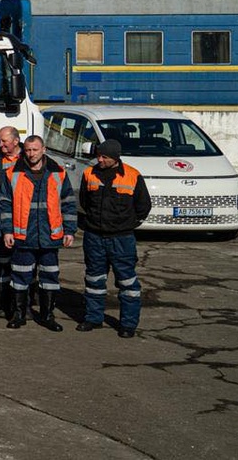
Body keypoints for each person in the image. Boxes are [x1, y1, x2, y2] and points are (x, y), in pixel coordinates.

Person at [0, 135, 77, 331]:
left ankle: (47, 316)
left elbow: (68, 203)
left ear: (44, 150)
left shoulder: (58, 173)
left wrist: (69, 231)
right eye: (28, 150)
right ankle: (19, 314)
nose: (31, 154)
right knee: (20, 278)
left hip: (50, 236)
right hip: (23, 236)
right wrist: (7, 230)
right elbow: (5, 204)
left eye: (35, 149)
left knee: (50, 278)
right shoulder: (12, 173)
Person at [77, 139, 151, 338]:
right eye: (99, 156)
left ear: (115, 158)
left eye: (105, 157)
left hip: (122, 239)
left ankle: (128, 324)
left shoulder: (132, 176)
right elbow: (84, 201)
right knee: (94, 279)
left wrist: (126, 225)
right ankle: (93, 318)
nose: (100, 159)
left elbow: (143, 206)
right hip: (94, 237)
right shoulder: (89, 173)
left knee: (127, 283)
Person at [0, 125, 23, 319]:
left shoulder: (28, 159)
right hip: (2, 220)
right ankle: (4, 303)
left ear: (16, 141)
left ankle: (22, 305)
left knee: (24, 266)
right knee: (3, 264)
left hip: (24, 220)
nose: (0, 144)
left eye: (4, 141)